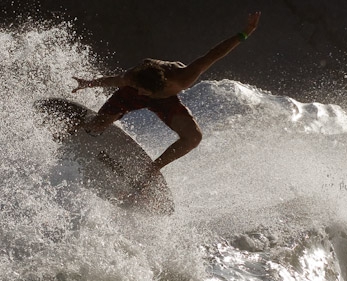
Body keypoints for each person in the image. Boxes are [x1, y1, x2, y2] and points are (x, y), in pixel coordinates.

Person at [72, 12, 261, 191]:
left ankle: (152, 170)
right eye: (137, 87)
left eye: (142, 90)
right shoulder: (132, 79)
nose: (139, 91)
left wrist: (245, 33)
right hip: (131, 94)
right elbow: (116, 80)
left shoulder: (183, 77)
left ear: (157, 87)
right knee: (97, 125)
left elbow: (214, 54)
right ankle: (76, 126)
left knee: (193, 138)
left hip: (165, 100)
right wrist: (89, 83)